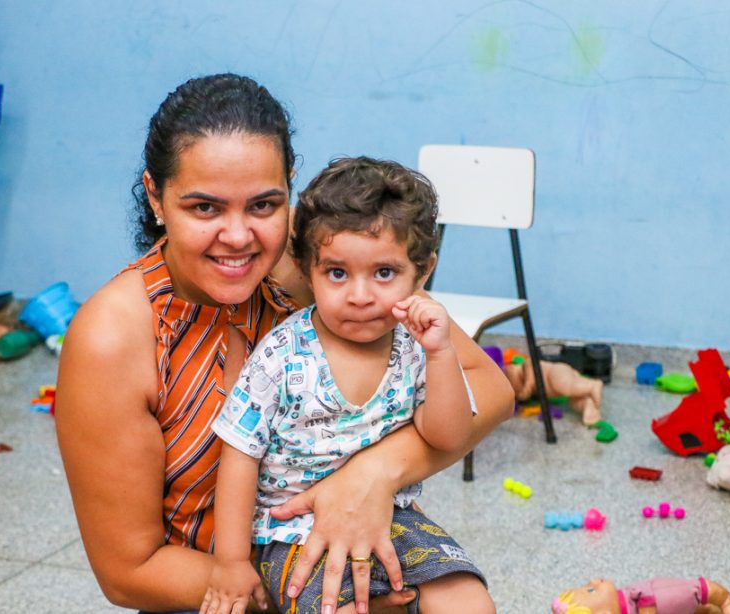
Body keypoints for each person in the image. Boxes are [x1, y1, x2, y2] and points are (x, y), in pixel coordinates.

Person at [55, 74, 515, 613]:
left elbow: (490, 387)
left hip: (350, 543)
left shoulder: (319, 260)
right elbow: (131, 573)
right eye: (204, 208)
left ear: (289, 189)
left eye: (264, 205)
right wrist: (313, 596)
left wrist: (370, 476)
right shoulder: (114, 336)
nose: (238, 236)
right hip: (222, 595)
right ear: (156, 196)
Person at [201, 157, 494, 614]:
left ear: (423, 270)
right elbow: (239, 454)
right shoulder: (281, 354)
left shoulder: (418, 346)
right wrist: (232, 563)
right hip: (293, 536)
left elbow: (448, 436)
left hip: (393, 519)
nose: (360, 296)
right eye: (337, 273)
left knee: (469, 601)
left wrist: (440, 355)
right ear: (306, 268)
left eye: (384, 273)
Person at [551, 576, 730, 614]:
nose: (593, 581)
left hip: (659, 596)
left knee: (709, 592)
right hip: (661, 602)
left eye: (589, 588)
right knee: (699, 605)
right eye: (591, 590)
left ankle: (726, 606)